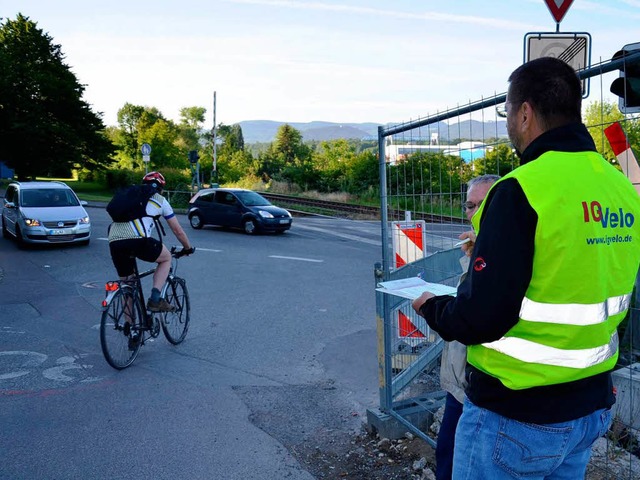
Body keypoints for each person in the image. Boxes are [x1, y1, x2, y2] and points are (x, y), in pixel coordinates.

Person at [412, 56, 640, 479]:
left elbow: (481, 317)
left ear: (524, 112)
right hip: (588, 409)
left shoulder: (520, 189)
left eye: (506, 115)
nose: (508, 126)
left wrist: (431, 307)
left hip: (515, 417)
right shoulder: (622, 190)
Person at [436, 174, 499, 480]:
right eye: (470, 205)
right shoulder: (478, 252)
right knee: (446, 459)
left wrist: (435, 311)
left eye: (483, 204)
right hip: (460, 388)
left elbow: (473, 316)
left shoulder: (509, 256)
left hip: (483, 394)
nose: (474, 213)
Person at [108, 171, 194, 313]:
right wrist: (187, 248)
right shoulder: (160, 200)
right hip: (137, 239)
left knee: (127, 284)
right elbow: (178, 230)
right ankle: (155, 300)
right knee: (166, 259)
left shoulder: (130, 196)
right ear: (161, 188)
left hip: (114, 241)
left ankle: (131, 328)